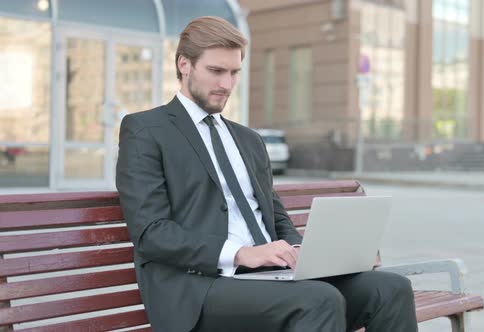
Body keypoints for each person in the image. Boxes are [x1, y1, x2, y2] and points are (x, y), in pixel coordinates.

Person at [116, 16, 417, 332]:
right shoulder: (146, 130)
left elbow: (275, 215)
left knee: (390, 290)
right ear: (184, 65)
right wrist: (243, 254)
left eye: (234, 73)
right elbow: (152, 233)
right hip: (200, 288)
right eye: (216, 71)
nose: (226, 84)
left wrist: (299, 250)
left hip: (270, 278)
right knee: (318, 300)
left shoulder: (248, 139)